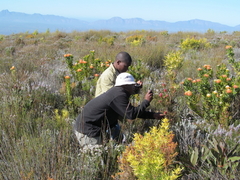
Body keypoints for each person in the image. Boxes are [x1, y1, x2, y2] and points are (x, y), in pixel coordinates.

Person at [74, 72, 165, 147]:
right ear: (126, 86)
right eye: (132, 85)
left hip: (95, 128)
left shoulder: (118, 92)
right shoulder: (119, 95)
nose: (134, 87)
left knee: (115, 150)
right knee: (99, 159)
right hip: (88, 131)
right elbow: (131, 115)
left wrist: (153, 115)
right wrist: (146, 101)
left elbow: (129, 111)